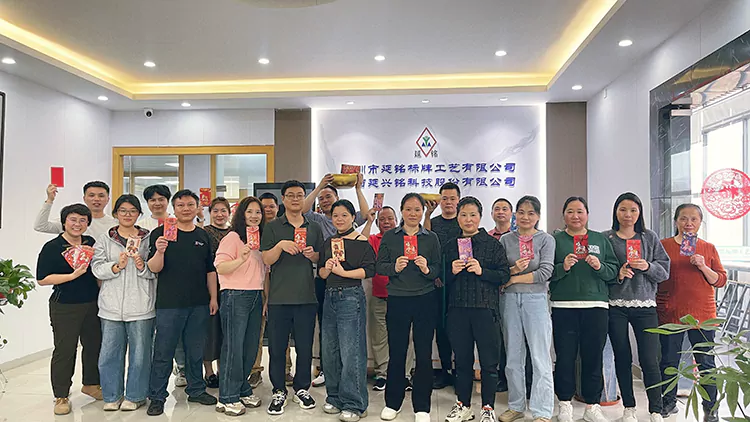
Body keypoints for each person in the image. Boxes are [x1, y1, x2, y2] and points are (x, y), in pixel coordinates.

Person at [146, 189, 219, 416]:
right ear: (174, 208)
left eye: (190, 205)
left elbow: (210, 270)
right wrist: (160, 251)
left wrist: (213, 298)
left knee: (195, 350)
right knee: (163, 351)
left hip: (199, 303)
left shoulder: (203, 235)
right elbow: (153, 268)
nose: (185, 209)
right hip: (169, 303)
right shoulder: (160, 233)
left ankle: (196, 389)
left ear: (197, 208)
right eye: (180, 205)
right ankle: (157, 396)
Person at [602, 193, 670, 422]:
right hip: (616, 305)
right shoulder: (607, 238)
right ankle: (629, 407)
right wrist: (618, 274)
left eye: (633, 210)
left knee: (650, 359)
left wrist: (647, 266)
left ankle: (656, 410)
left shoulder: (649, 237)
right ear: (615, 212)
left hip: (645, 305)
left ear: (639, 212)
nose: (628, 215)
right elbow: (601, 273)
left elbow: (664, 271)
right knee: (622, 357)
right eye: (623, 209)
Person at [550, 196, 619, 422]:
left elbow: (613, 272)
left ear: (587, 214)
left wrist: (600, 266)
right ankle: (564, 404)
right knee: (565, 357)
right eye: (570, 211)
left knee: (593, 357)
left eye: (580, 211)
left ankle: (592, 406)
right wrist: (562, 267)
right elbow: (546, 273)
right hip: (563, 306)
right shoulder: (555, 240)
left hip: (596, 306)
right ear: (563, 215)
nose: (575, 216)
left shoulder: (599, 239)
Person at [443, 197, 510, 422]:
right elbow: (439, 280)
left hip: (485, 310)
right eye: (463, 215)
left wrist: (483, 271)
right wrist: (451, 271)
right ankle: (463, 405)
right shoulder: (450, 245)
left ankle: (487, 408)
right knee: (462, 362)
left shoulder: (492, 244)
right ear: (458, 218)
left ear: (480, 217)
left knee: (489, 363)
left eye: (472, 215)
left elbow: (504, 275)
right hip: (458, 310)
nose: (468, 219)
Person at [261, 180, 325, 415]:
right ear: (284, 199)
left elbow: (320, 258)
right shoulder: (273, 227)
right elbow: (266, 259)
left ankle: (301, 388)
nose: (296, 199)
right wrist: (280, 245)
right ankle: (279, 390)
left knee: (305, 347)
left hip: (306, 296)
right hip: (279, 297)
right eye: (291, 195)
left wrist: (312, 255)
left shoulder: (314, 227)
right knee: (277, 348)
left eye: (300, 195)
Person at [376, 193, 442, 422]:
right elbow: (380, 266)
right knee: (397, 352)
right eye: (408, 209)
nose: (413, 214)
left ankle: (422, 406)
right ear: (401, 211)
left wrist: (427, 269)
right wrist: (394, 267)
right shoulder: (390, 237)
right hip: (398, 298)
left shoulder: (431, 238)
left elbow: (438, 269)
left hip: (425, 299)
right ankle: (392, 403)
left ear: (423, 212)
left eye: (417, 210)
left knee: (423, 354)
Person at [658, 204, 726, 422]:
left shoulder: (708, 247)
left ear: (700, 223)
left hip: (702, 314)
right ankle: (668, 403)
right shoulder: (664, 246)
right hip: (671, 311)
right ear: (676, 221)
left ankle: (711, 408)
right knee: (669, 361)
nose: (688, 223)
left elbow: (720, 280)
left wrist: (703, 266)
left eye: (694, 219)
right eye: (683, 218)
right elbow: (656, 275)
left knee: (706, 363)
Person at [303, 173, 370, 387]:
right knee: (327, 330)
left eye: (328, 196)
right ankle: (327, 371)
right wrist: (320, 185)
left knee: (350, 339)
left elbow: (367, 214)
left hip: (350, 285)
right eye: (321, 198)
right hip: (326, 280)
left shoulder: (355, 232)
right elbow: (304, 209)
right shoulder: (318, 219)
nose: (324, 200)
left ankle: (350, 387)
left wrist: (358, 188)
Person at [36, 204, 102, 415]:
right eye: (73, 219)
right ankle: (61, 395)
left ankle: (91, 384)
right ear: (64, 222)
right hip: (64, 305)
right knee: (65, 350)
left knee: (94, 346)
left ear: (88, 223)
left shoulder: (90, 242)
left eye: (83, 220)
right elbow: (42, 279)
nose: (77, 224)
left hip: (93, 303)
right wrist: (72, 276)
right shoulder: (52, 247)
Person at [91, 194, 155, 411]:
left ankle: (135, 396)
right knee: (109, 354)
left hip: (141, 305)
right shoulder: (105, 238)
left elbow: (157, 271)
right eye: (123, 211)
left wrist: (142, 266)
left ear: (139, 214)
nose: (128, 215)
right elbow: (96, 267)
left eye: (132, 211)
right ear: (116, 213)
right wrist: (115, 266)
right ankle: (111, 396)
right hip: (111, 306)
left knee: (140, 355)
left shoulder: (148, 238)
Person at [498, 196, 556, 422]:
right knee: (513, 357)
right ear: (515, 215)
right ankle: (516, 406)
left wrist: (513, 279)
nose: (525, 217)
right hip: (509, 301)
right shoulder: (505, 239)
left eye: (531, 213)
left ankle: (542, 411)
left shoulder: (546, 240)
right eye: (521, 212)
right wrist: (512, 270)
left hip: (536, 300)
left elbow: (545, 272)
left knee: (540, 357)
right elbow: (500, 272)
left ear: (538, 216)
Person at [318, 199, 376, 422]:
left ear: (353, 217)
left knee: (351, 351)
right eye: (335, 215)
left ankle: (355, 403)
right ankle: (334, 397)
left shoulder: (361, 241)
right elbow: (321, 273)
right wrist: (327, 268)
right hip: (329, 296)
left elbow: (369, 270)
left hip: (351, 296)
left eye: (344, 215)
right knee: (330, 350)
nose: (339, 219)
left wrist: (343, 273)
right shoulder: (329, 242)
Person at [213, 196, 267, 416]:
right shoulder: (233, 237)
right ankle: (227, 397)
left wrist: (265, 298)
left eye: (258, 212)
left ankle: (242, 388)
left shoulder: (260, 239)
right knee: (233, 347)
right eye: (249, 211)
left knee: (250, 346)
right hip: (235, 295)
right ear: (241, 214)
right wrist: (241, 259)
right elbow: (220, 267)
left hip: (255, 295)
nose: (254, 216)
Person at [362, 206, 416, 392]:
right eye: (382, 219)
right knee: (380, 337)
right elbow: (360, 243)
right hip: (379, 295)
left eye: (390, 218)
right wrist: (369, 221)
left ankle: (405, 375)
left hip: (403, 295)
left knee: (406, 337)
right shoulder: (373, 239)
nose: (386, 222)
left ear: (396, 220)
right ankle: (383, 374)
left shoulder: (405, 238)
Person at [251, 192, 294, 389]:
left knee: (281, 331)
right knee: (257, 330)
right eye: (263, 207)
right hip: (257, 284)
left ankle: (285, 369)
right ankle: (254, 370)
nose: (267, 210)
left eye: (271, 206)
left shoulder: (283, 228)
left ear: (278, 207)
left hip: (280, 284)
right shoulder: (253, 230)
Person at [423, 182, 461, 390]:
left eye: (452, 198)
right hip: (437, 284)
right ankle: (445, 370)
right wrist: (428, 215)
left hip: (459, 284)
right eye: (444, 198)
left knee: (459, 329)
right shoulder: (434, 221)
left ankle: (459, 371)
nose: (448, 202)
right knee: (441, 328)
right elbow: (427, 245)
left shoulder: (463, 221)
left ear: (458, 200)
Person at [201, 197, 232, 389]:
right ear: (210, 213)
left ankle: (222, 370)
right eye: (215, 211)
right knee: (209, 330)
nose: (220, 215)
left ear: (229, 213)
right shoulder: (204, 232)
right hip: (209, 285)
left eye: (223, 211)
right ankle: (209, 371)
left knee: (225, 332)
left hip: (230, 285)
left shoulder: (234, 232)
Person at [35, 181, 117, 240]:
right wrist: (49, 200)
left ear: (108, 199)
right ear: (84, 198)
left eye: (101, 196)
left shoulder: (114, 224)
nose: (96, 199)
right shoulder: (71, 221)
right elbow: (40, 226)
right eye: (91, 195)